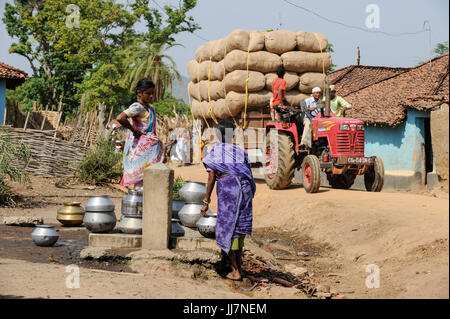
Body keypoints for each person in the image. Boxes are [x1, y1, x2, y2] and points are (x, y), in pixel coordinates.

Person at [200, 120, 256, 281]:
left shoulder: (216, 151)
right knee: (238, 227)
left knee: (227, 229)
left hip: (230, 190)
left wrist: (206, 202)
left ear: (218, 134)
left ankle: (235, 270)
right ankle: (239, 266)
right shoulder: (240, 151)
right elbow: (248, 173)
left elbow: (211, 178)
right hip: (245, 189)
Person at [116, 78, 165, 190]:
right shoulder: (137, 107)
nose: (151, 96)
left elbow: (152, 131)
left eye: (152, 93)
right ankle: (139, 202)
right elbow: (120, 118)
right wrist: (134, 130)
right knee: (141, 180)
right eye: (148, 93)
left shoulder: (151, 109)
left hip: (150, 151)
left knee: (149, 178)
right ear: (139, 93)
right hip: (140, 151)